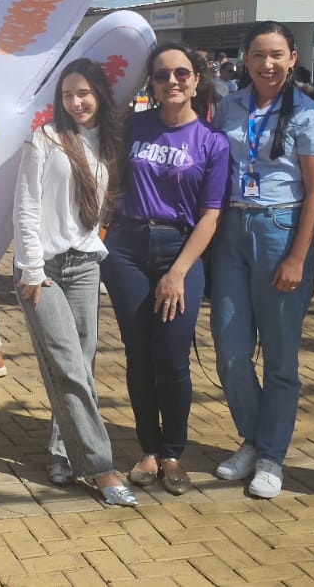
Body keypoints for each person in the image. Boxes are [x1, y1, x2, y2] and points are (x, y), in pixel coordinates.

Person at [209, 22, 314, 500]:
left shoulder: (308, 114)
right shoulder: (229, 107)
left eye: (276, 54)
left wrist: (299, 255)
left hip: (282, 229)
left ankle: (271, 456)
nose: (267, 64)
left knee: (280, 358)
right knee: (232, 351)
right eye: (258, 55)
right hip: (232, 233)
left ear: (293, 58)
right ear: (245, 59)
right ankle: (253, 438)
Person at [101, 42, 229, 495]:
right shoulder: (131, 126)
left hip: (181, 247)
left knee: (172, 357)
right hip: (128, 248)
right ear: (150, 83)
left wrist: (178, 272)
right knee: (139, 354)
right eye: (161, 75)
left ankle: (174, 451)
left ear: (197, 78)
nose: (171, 81)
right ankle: (148, 449)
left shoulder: (213, 143)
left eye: (181, 73)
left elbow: (211, 214)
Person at [11, 58, 138, 507]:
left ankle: (62, 452)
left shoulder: (109, 144)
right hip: (41, 270)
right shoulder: (45, 139)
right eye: (68, 95)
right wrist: (31, 270)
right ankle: (102, 466)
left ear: (100, 94)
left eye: (83, 92)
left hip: (85, 264)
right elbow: (26, 207)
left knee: (81, 365)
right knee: (65, 362)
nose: (76, 102)